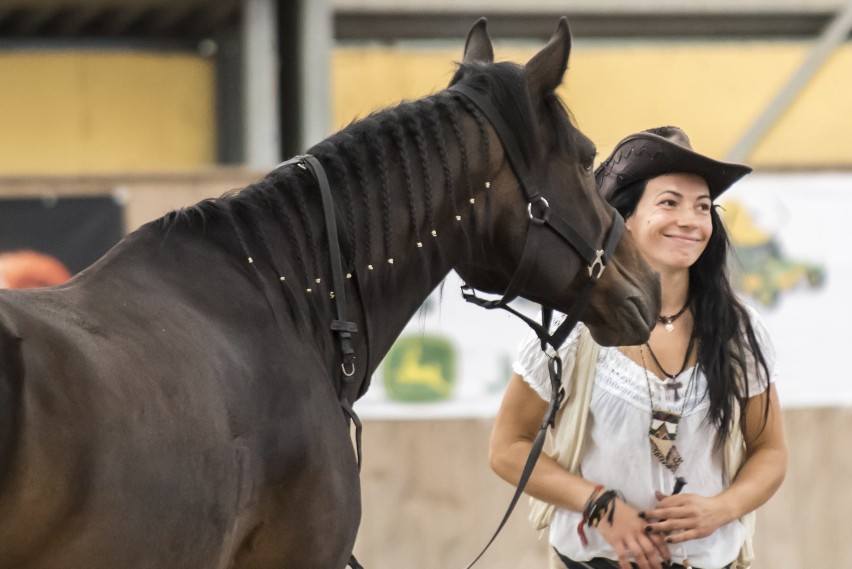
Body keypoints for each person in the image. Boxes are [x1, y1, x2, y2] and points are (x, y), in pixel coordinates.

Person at [489, 126, 787, 569]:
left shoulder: (737, 330)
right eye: (669, 203)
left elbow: (770, 450)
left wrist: (721, 508)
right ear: (623, 218)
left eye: (702, 207)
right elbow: (506, 448)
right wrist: (599, 504)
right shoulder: (574, 328)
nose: (690, 219)